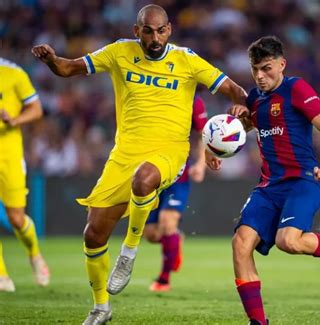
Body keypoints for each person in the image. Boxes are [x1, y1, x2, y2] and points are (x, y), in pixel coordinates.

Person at [32, 4, 247, 324]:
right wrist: (51, 59)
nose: (155, 37)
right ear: (137, 31)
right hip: (123, 154)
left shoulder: (187, 60)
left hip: (169, 151)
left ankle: (128, 254)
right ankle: (101, 307)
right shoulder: (120, 52)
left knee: (143, 179)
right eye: (148, 30)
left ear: (169, 30)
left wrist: (220, 139)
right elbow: (68, 68)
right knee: (93, 235)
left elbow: (236, 92)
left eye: (161, 30)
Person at [206, 36, 320, 325]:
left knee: (289, 241)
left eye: (266, 68)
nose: (260, 76)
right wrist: (216, 141)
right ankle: (258, 322)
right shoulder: (254, 99)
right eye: (255, 70)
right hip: (268, 186)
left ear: (281, 64)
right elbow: (236, 131)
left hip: (302, 181)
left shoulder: (296, 88)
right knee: (240, 243)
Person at [144, 95, 207, 292]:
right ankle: (175, 239)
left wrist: (201, 163)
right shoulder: (152, 94)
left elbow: (205, 132)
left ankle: (164, 279)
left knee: (167, 222)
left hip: (178, 172)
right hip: (151, 169)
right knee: (152, 234)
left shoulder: (193, 100)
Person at [0, 57, 50, 292]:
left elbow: (36, 109)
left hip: (8, 153)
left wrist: (14, 120)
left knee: (16, 218)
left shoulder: (14, 73)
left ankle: (34, 254)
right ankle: (2, 275)